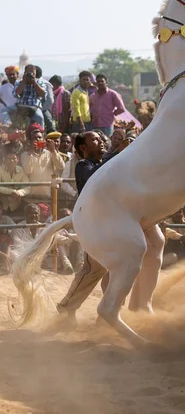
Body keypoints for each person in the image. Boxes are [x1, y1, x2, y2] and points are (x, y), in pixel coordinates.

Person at [57, 132, 108, 321]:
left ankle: (109, 312)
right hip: (94, 224)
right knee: (94, 269)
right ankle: (66, 306)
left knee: (115, 269)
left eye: (100, 138)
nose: (100, 141)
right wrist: (117, 153)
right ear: (83, 149)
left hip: (110, 222)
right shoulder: (83, 166)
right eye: (95, 140)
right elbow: (97, 177)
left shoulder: (104, 164)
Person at [20, 127, 65, 199]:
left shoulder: (50, 153)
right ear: (30, 141)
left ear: (43, 139)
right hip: (31, 195)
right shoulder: (25, 154)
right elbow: (27, 171)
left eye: (39, 137)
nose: (37, 139)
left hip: (47, 195)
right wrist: (30, 153)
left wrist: (53, 150)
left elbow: (61, 166)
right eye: (34, 138)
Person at [0, 144, 31, 213]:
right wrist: (12, 192)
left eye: (14, 158)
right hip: (2, 206)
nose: (11, 161)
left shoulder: (21, 171)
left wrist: (19, 193)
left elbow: (28, 187)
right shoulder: (0, 170)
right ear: (5, 160)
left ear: (17, 160)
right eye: (9, 159)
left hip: (16, 205)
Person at [35, 66, 55, 133]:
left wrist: (40, 109)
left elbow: (50, 100)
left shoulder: (46, 84)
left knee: (49, 124)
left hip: (43, 109)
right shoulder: (29, 83)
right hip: (31, 109)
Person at [0, 203, 15, 273]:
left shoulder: (6, 219)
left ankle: (6, 266)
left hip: (4, 245)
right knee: (6, 257)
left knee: (8, 242)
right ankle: (6, 261)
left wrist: (8, 234)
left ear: (2, 210)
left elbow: (15, 229)